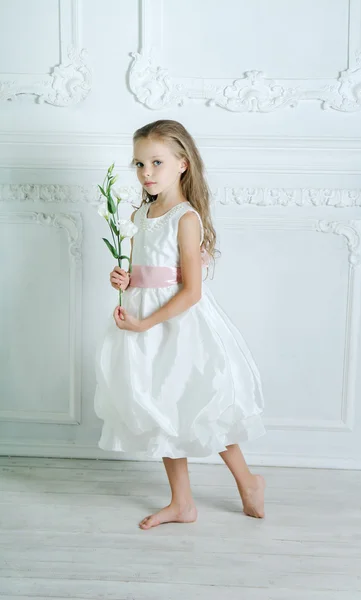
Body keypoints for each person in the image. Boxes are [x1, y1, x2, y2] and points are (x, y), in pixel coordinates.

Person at [94, 119, 267, 530]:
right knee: (163, 409)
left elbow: (190, 291)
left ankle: (248, 481)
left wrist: (147, 322)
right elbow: (145, 271)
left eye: (156, 162)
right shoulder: (141, 214)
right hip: (144, 323)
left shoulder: (184, 218)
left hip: (178, 324)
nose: (146, 172)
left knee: (202, 404)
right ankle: (182, 502)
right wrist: (125, 278)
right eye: (139, 164)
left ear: (183, 164)